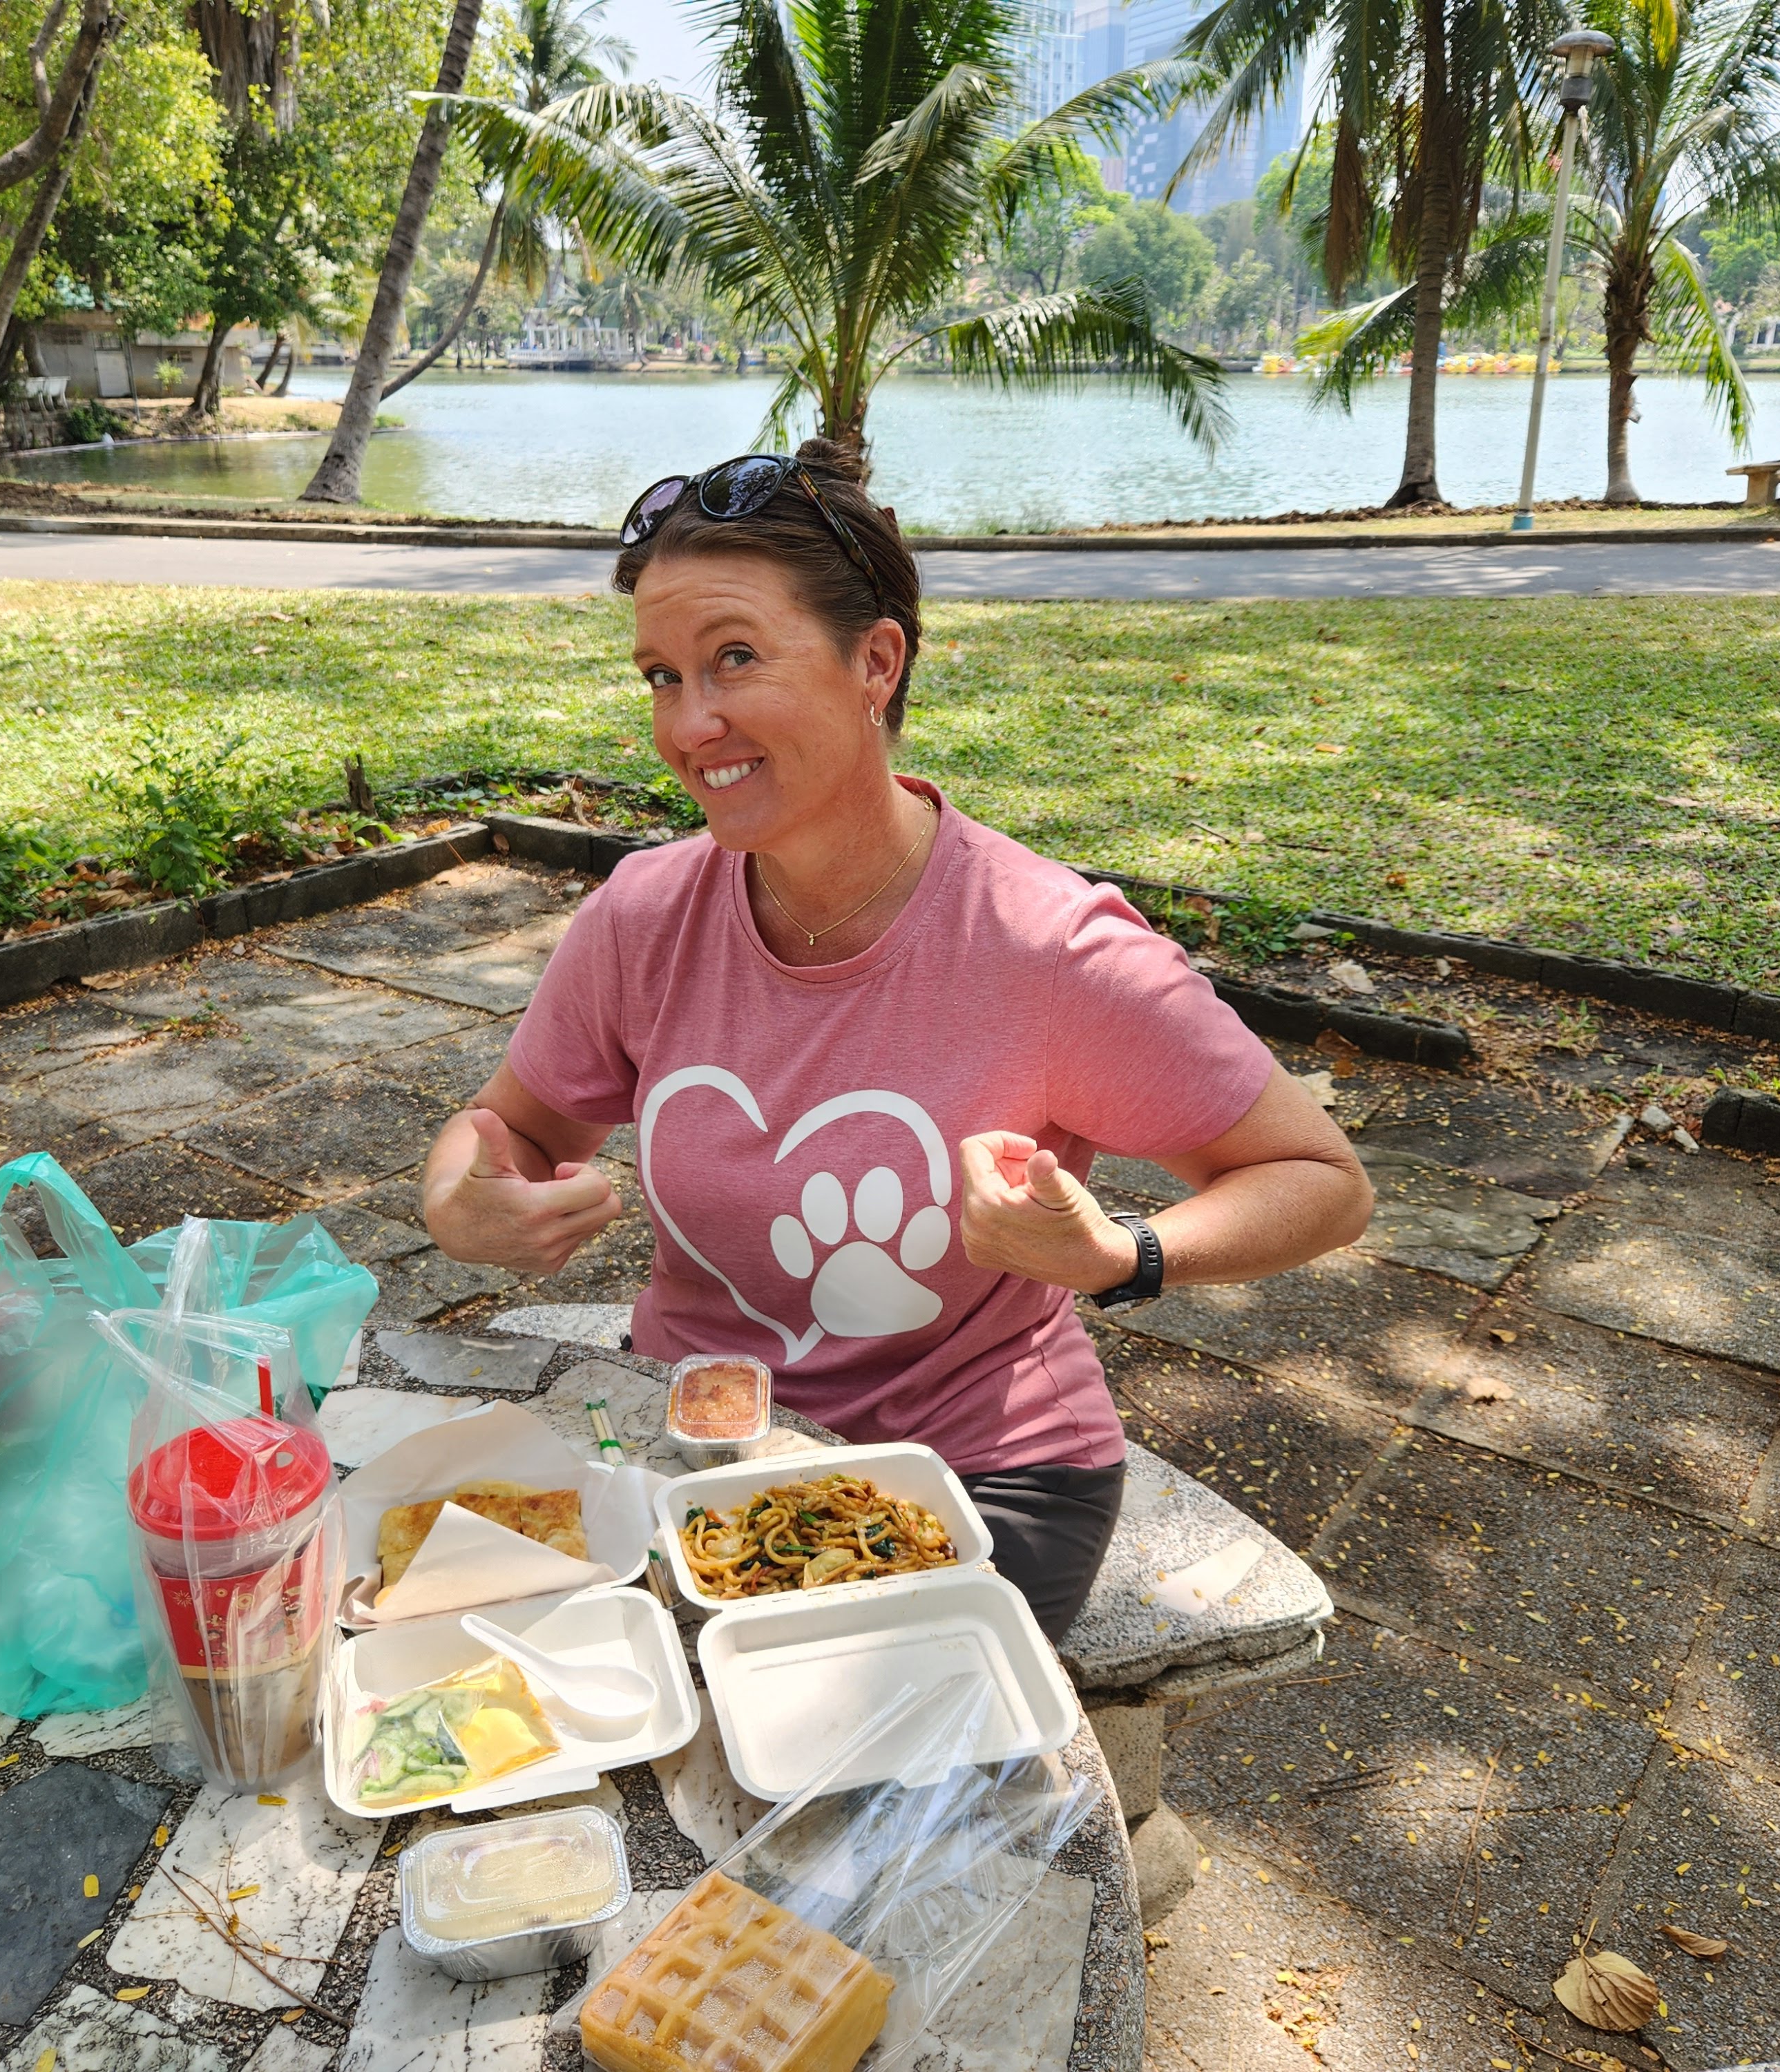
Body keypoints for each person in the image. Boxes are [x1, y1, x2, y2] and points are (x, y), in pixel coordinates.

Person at [420, 439, 1373, 1640]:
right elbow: (508, 1129)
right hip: (697, 1434)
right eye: (662, 676)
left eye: (735, 658)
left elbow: (1321, 1181)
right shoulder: (643, 917)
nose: (690, 722)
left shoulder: (1046, 945)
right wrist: (459, 1201)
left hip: (975, 1471)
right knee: (504, 1665)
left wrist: (1119, 1254)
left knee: (822, 1729)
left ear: (876, 662)